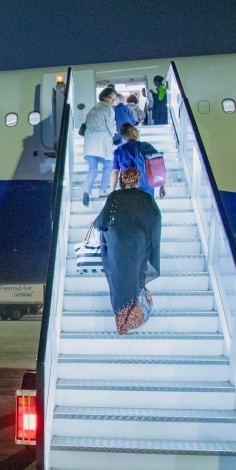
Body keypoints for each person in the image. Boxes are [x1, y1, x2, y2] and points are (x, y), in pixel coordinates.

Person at [98, 166, 162, 334]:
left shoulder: (114, 197)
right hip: (139, 247)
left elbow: (103, 223)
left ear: (121, 180)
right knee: (136, 279)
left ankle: (122, 323)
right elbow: (155, 220)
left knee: (119, 282)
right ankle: (134, 317)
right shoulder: (147, 199)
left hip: (118, 248)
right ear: (138, 180)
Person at [82, 86, 119, 206]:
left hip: (90, 142)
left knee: (92, 169)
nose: (113, 101)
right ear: (103, 97)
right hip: (103, 141)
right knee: (108, 166)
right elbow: (111, 127)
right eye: (111, 98)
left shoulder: (91, 110)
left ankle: (87, 189)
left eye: (114, 99)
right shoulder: (108, 109)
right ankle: (103, 190)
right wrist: (115, 135)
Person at [110, 123, 166, 199]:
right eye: (137, 130)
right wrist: (162, 185)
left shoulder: (118, 151)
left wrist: (112, 194)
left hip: (127, 190)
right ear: (134, 132)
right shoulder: (146, 146)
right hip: (146, 189)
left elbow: (115, 173)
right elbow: (158, 164)